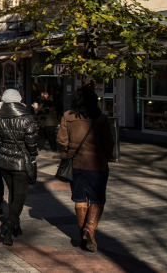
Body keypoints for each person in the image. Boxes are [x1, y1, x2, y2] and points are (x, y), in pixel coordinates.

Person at [57, 86, 114, 253]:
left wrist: (69, 151)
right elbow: (109, 143)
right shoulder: (100, 118)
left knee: (80, 198)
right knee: (97, 199)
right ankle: (89, 230)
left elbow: (62, 139)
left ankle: (83, 233)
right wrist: (106, 155)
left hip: (76, 163)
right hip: (97, 164)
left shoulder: (68, 116)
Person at [0, 89, 38, 246]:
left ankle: (15, 225)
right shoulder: (27, 118)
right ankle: (9, 227)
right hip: (21, 162)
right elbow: (31, 143)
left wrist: (5, 148)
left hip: (4, 161)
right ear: (19, 100)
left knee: (12, 192)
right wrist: (31, 153)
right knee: (19, 196)